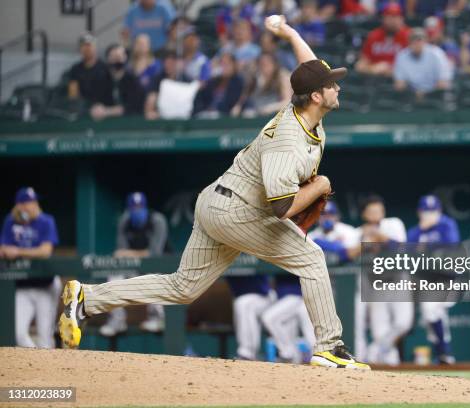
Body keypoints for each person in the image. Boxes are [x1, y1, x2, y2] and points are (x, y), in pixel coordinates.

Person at [59, 15, 370, 370]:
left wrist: (289, 32)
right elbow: (282, 207)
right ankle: (329, 347)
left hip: (218, 202)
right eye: (332, 85)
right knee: (311, 258)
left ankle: (87, 297)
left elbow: (308, 67)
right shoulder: (288, 140)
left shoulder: (302, 109)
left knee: (183, 287)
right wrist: (320, 186)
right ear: (316, 96)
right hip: (237, 211)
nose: (338, 88)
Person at [99, 192, 169, 336]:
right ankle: (117, 321)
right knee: (114, 276)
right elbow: (121, 254)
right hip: (135, 268)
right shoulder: (125, 222)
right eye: (134, 208)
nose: (137, 211)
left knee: (153, 276)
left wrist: (129, 254)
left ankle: (158, 318)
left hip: (162, 267)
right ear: (129, 210)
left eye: (140, 207)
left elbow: (154, 254)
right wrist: (129, 255)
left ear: (145, 207)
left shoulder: (157, 220)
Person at [1, 187, 59, 349]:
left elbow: (46, 251)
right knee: (18, 334)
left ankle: (50, 370)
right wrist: (6, 251)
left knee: (45, 338)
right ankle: (34, 362)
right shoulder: (10, 221)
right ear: (19, 205)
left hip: (45, 285)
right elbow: (3, 248)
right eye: (27, 203)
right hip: (22, 286)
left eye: (33, 202)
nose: (32, 206)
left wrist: (18, 251)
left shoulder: (46, 220)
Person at [356, 194, 411, 365]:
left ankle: (375, 350)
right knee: (380, 331)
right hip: (376, 285)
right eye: (371, 211)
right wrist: (365, 240)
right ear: (364, 214)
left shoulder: (393, 224)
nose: (376, 214)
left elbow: (402, 248)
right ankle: (389, 364)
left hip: (398, 280)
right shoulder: (359, 233)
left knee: (404, 323)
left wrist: (380, 237)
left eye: (379, 210)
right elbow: (350, 254)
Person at [407, 195, 460, 364]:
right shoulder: (416, 231)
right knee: (432, 314)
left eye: (433, 211)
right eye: (426, 211)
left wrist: (425, 249)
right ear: (419, 212)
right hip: (428, 280)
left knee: (432, 311)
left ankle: (444, 351)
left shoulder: (447, 224)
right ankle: (444, 353)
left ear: (440, 211)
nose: (429, 215)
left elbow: (451, 247)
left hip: (448, 278)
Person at [309, 201, 363, 358]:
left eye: (330, 214)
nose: (327, 218)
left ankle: (359, 358)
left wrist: (325, 245)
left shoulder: (348, 231)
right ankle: (322, 357)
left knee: (355, 326)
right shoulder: (312, 236)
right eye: (323, 214)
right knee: (320, 327)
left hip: (350, 286)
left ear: (337, 216)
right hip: (326, 288)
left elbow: (350, 253)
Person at [261, 274, 316, 363]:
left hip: (299, 296)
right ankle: (290, 355)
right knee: (291, 336)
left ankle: (289, 353)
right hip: (285, 299)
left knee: (269, 318)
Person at [89, 44, 146, 121]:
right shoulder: (100, 79)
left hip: (130, 123)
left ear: (125, 58)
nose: (118, 60)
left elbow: (134, 106)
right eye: (114, 57)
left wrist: (107, 111)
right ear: (108, 58)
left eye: (120, 57)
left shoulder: (133, 80)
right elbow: (95, 102)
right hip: (105, 124)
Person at [355, 3, 411, 77]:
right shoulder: (374, 36)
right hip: (374, 80)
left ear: (401, 18)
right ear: (383, 18)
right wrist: (373, 69)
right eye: (389, 16)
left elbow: (415, 66)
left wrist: (392, 70)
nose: (392, 20)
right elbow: (360, 66)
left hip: (399, 81)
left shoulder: (409, 36)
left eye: (396, 16)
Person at [226, 276, 273, 360]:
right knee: (241, 303)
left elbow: (263, 289)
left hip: (264, 296)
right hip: (242, 299)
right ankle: (248, 353)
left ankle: (248, 352)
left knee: (243, 303)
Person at [393, 28, 453, 96]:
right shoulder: (402, 56)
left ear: (426, 41)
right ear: (409, 42)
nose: (417, 43)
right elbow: (399, 84)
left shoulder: (437, 54)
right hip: (411, 97)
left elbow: (443, 83)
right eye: (413, 39)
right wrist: (415, 95)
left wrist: (424, 94)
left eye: (419, 39)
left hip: (435, 96)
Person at [233, 52, 292, 117]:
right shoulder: (255, 78)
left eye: (267, 64)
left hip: (276, 117)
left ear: (274, 65)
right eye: (261, 64)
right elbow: (244, 97)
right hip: (257, 114)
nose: (263, 67)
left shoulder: (282, 77)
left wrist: (271, 108)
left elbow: (288, 102)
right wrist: (238, 106)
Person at [67, 33, 113, 107]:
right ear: (80, 49)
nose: (87, 48)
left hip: (103, 109)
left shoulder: (106, 68)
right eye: (84, 46)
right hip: (82, 109)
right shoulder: (75, 69)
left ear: (95, 47)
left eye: (90, 45)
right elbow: (73, 93)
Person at [192, 53, 244, 117]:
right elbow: (202, 98)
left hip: (225, 117)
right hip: (207, 115)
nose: (224, 67)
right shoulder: (213, 81)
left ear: (234, 65)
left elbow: (231, 103)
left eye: (227, 64)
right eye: (222, 64)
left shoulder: (238, 82)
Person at [144, 51, 185, 120]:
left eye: (171, 63)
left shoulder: (185, 79)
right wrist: (150, 112)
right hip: (160, 118)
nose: (168, 65)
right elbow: (151, 99)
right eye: (166, 63)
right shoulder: (157, 79)